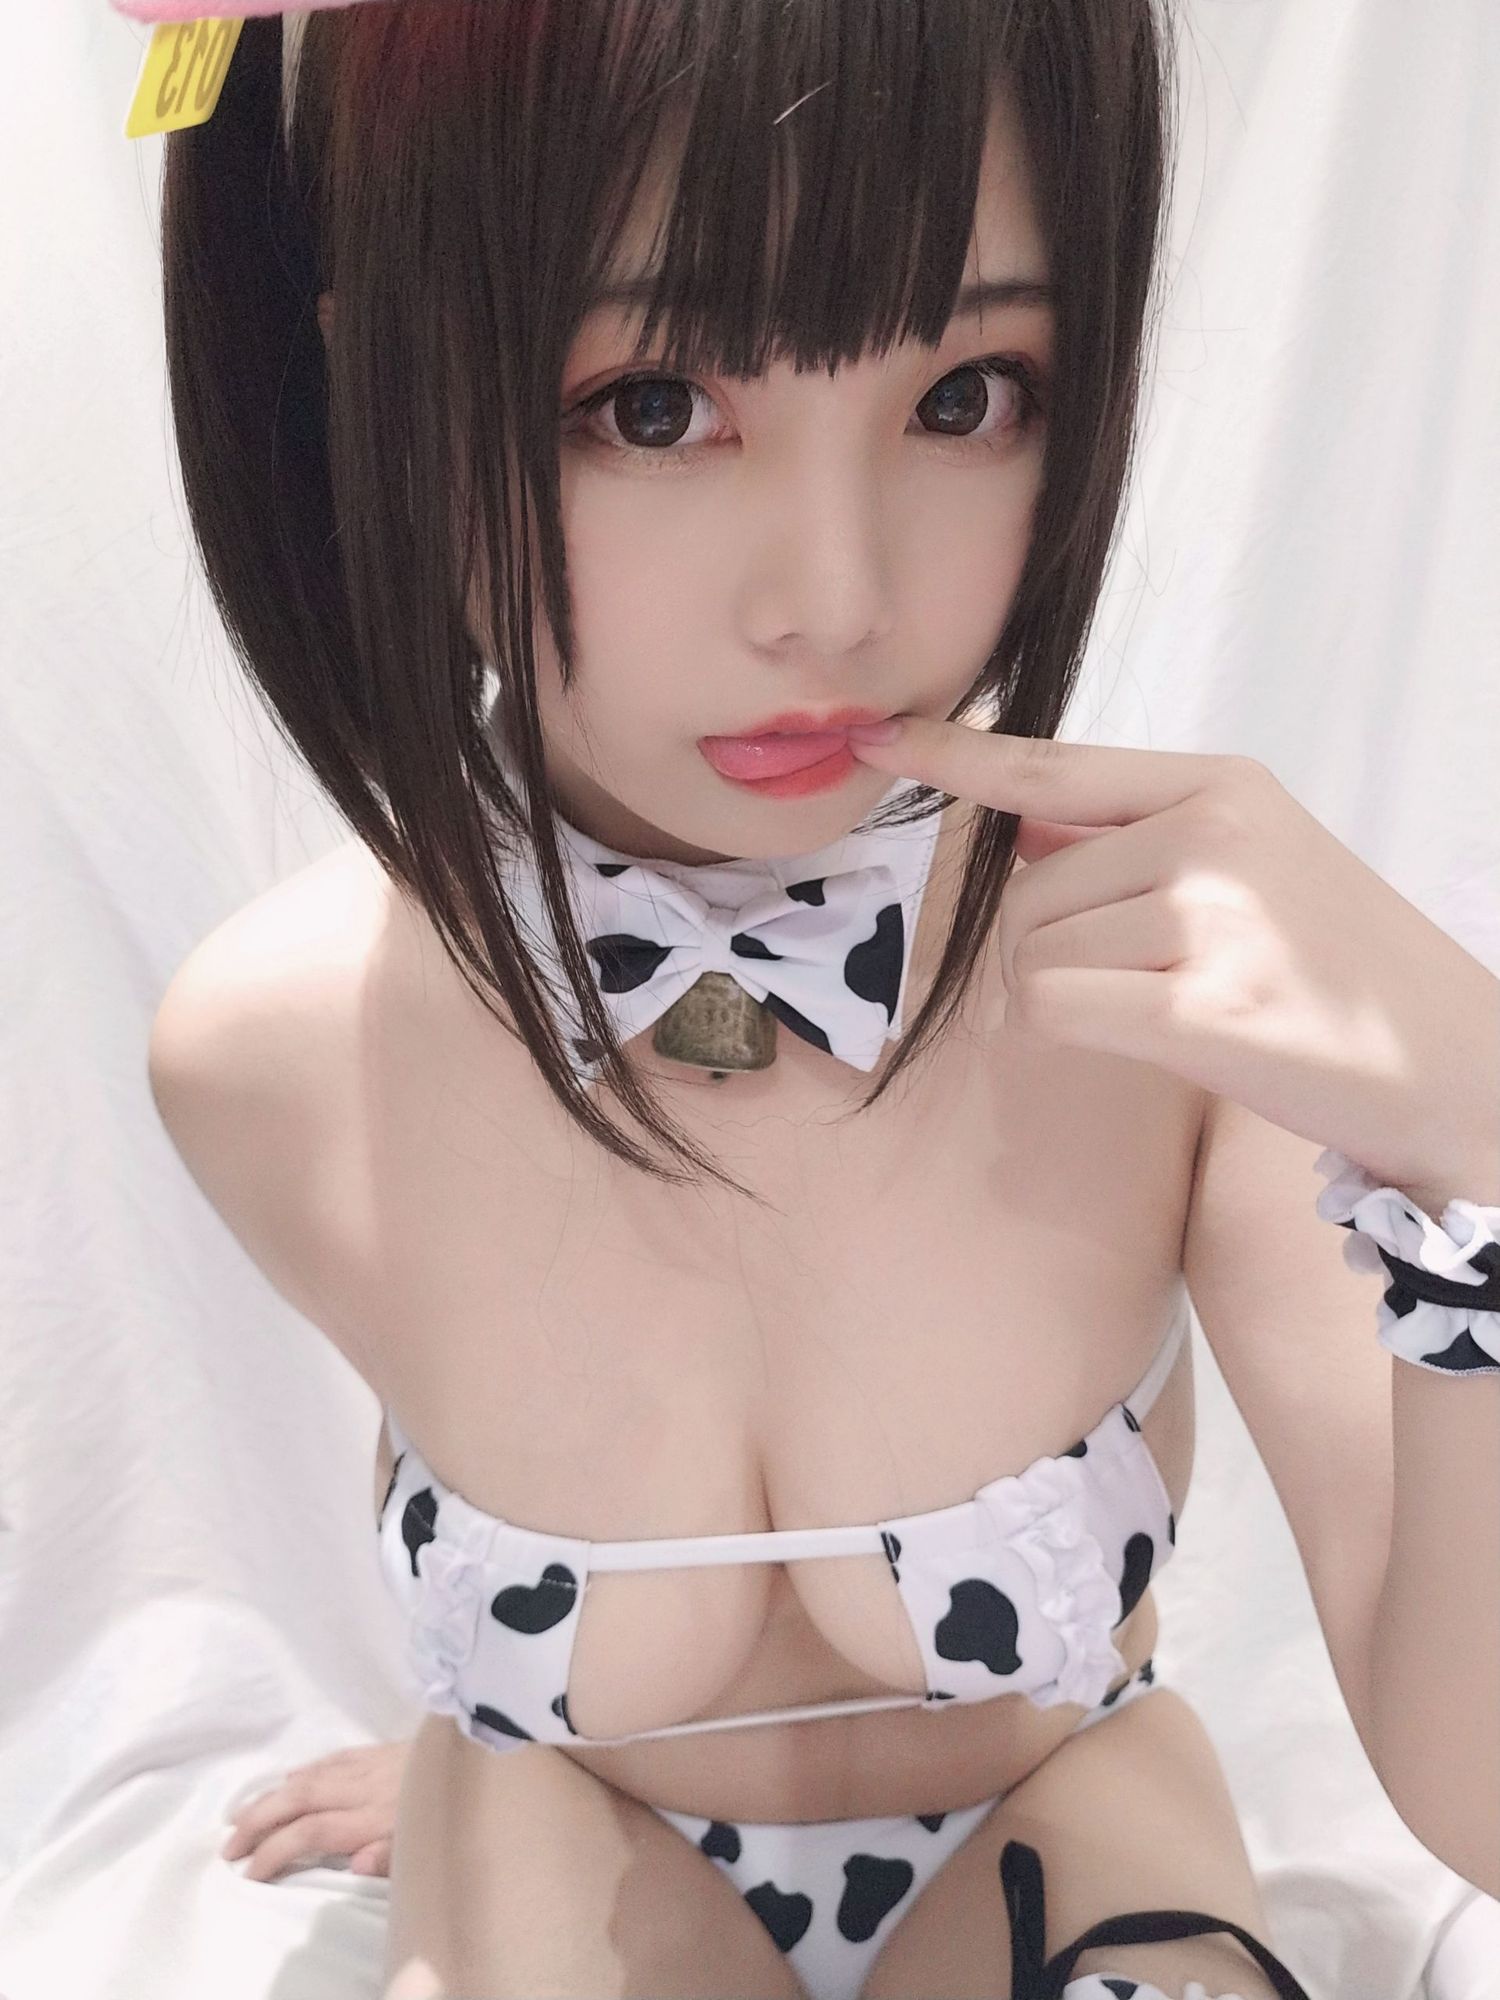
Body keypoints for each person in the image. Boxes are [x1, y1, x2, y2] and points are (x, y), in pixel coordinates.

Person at [143, 2, 1423, 1995]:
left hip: (1061, 1825)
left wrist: (1477, 1149)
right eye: (652, 405)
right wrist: (472, 1752)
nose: (836, 598)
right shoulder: (274, 1053)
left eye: (968, 393)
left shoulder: (1176, 998)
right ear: (374, 390)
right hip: (572, 1835)